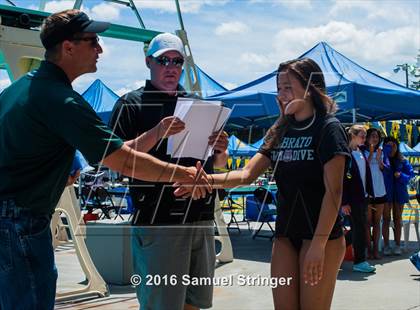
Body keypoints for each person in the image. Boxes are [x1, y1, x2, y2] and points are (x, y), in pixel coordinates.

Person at [0, 11, 209, 310]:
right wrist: (185, 173)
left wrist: (66, 165)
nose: (100, 49)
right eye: (93, 41)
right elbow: (122, 160)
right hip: (19, 222)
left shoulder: (21, 90)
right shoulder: (62, 100)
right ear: (68, 47)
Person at [176, 58, 350, 310]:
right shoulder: (279, 130)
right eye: (279, 88)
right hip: (286, 233)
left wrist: (318, 245)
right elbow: (246, 174)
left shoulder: (328, 128)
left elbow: (334, 192)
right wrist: (202, 180)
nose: (281, 94)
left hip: (321, 235)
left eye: (288, 87)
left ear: (310, 88)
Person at [108, 33, 228, 310]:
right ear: (148, 62)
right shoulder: (131, 104)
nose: (171, 67)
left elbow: (218, 165)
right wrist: (157, 132)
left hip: (201, 217)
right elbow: (113, 158)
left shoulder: (198, 104)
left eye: (177, 61)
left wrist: (220, 149)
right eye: (164, 60)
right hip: (159, 220)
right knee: (161, 305)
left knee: (194, 303)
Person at [341, 125, 376, 273]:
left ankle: (333, 250)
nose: (364, 139)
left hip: (363, 197)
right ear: (353, 136)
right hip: (352, 198)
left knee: (357, 228)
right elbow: (342, 179)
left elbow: (364, 174)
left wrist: (369, 192)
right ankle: (359, 261)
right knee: (360, 228)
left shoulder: (360, 151)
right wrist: (344, 202)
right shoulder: (345, 153)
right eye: (362, 136)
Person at [382, 136, 414, 255]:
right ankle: (386, 245)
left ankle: (397, 245)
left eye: (394, 145)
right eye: (388, 146)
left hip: (399, 192)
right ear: (384, 146)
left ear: (397, 146)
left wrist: (400, 175)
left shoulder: (403, 160)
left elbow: (410, 177)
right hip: (385, 193)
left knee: (397, 219)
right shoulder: (382, 160)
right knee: (385, 219)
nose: (391, 148)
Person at [363, 128, 387, 259]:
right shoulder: (362, 151)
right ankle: (369, 249)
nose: (375, 138)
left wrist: (379, 159)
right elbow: (363, 168)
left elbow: (384, 168)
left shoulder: (381, 152)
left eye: (377, 136)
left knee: (377, 222)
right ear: (366, 138)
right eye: (372, 136)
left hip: (380, 190)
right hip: (367, 192)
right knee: (367, 223)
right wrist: (371, 154)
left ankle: (376, 249)